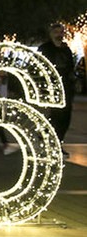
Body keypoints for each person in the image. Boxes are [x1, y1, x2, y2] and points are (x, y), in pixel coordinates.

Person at [38, 22, 76, 159]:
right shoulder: (45, 49)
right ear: (50, 34)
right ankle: (52, 143)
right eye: (56, 32)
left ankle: (56, 142)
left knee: (65, 118)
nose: (59, 35)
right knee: (55, 117)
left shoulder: (66, 49)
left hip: (66, 87)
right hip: (52, 87)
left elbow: (70, 67)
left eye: (61, 32)